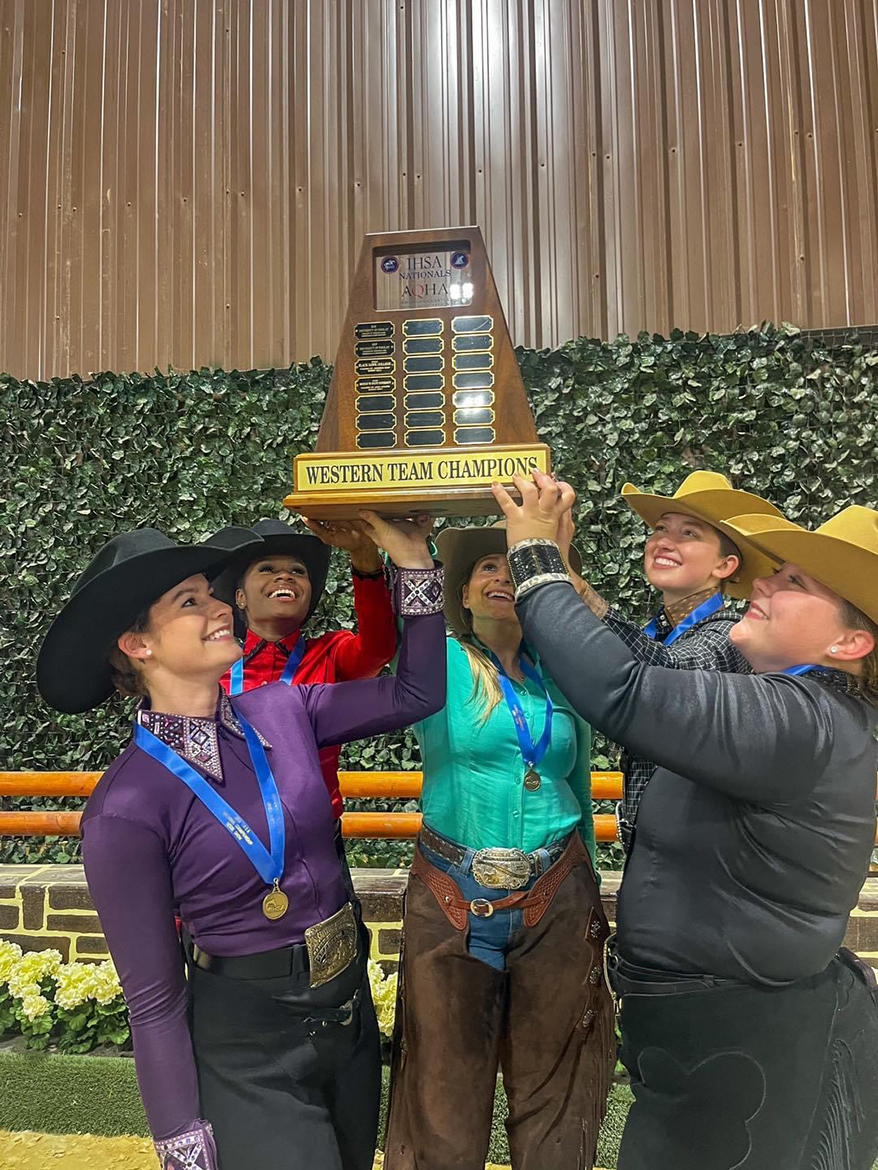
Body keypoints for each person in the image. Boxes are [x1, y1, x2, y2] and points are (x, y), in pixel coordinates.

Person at [494, 472, 878, 1170]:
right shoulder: (803, 708)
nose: (762, 584)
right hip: (719, 1035)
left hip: (734, 1035)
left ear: (849, 645)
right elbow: (641, 677)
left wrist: (534, 556)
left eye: (792, 581)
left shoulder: (799, 718)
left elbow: (625, 689)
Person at [36, 519, 446, 1170]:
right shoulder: (125, 808)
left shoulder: (283, 707)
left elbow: (418, 691)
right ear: (137, 643)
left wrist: (414, 561)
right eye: (190, 601)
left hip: (348, 1014)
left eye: (211, 593)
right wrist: (181, 1141)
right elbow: (154, 998)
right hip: (247, 1045)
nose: (221, 606)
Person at [384, 523, 614, 1170]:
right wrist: (402, 553)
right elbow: (411, 611)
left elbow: (578, 780)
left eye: (514, 566)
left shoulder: (563, 677)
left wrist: (589, 900)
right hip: (451, 896)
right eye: (487, 567)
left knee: (558, 1087)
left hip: (558, 896)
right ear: (461, 591)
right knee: (441, 1090)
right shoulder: (436, 663)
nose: (501, 577)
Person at [560, 470, 783, 847]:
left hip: (697, 857)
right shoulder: (656, 633)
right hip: (651, 849)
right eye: (661, 529)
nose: (664, 541)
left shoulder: (730, 635)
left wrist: (570, 579)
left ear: (724, 566)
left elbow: (668, 675)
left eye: (689, 534)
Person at [210, 517, 397, 819]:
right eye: (267, 569)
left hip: (317, 843)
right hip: (231, 839)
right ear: (239, 597)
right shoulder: (211, 666)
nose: (284, 576)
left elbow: (378, 649)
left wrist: (364, 558)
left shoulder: (330, 655)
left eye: (298, 571)